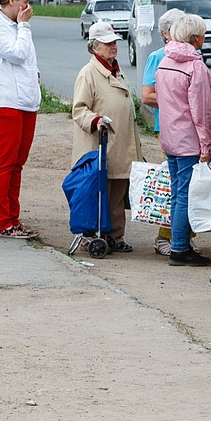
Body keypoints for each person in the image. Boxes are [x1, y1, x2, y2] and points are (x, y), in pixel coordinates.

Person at [72, 21, 143, 253]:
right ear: (95, 47)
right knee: (98, 191)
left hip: (120, 144)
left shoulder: (115, 69)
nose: (113, 47)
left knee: (117, 192)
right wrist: (95, 120)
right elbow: (79, 109)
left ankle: (116, 235)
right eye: (108, 43)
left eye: (114, 43)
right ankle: (92, 234)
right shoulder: (88, 73)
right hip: (99, 146)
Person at [155, 13, 211, 267]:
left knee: (177, 194)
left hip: (170, 138)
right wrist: (207, 144)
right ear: (195, 38)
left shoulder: (165, 63)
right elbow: (200, 112)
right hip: (189, 140)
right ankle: (180, 247)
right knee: (184, 195)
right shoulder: (195, 67)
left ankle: (178, 243)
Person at [0, 0, 41, 239]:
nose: (28, 7)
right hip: (3, 102)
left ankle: (13, 219)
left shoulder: (16, 26)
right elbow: (17, 54)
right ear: (12, 1)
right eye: (25, 1)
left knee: (17, 165)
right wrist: (25, 26)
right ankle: (2, 222)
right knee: (4, 164)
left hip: (24, 102)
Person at [141, 8, 185, 256]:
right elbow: (147, 95)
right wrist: (178, 100)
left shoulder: (191, 55)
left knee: (189, 184)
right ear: (167, 33)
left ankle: (183, 235)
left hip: (190, 127)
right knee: (174, 184)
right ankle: (165, 236)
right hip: (169, 128)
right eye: (180, 28)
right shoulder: (157, 57)